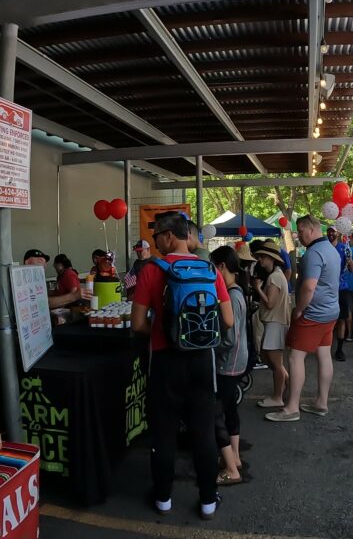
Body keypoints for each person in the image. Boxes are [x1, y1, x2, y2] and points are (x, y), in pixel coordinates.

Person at [131, 213, 233, 520]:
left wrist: (165, 331)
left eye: (157, 235)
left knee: (163, 434)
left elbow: (137, 324)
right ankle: (207, 501)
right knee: (203, 433)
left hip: (165, 362)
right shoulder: (210, 269)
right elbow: (227, 321)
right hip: (202, 362)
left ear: (170, 236)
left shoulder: (152, 270)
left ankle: (163, 498)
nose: (154, 241)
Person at [266, 215, 339, 422]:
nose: (298, 235)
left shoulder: (313, 253)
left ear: (312, 229)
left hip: (313, 313)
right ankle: (321, 402)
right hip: (330, 312)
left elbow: (309, 286)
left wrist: (299, 309)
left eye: (300, 230)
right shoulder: (331, 250)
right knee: (324, 355)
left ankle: (291, 408)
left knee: (295, 357)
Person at [208, 246, 248, 486]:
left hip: (227, 362)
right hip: (237, 360)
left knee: (217, 414)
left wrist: (210, 347)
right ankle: (235, 458)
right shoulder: (238, 291)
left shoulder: (230, 296)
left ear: (221, 267)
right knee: (230, 409)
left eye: (213, 267)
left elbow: (230, 338)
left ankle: (231, 469)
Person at [252, 240, 291, 409]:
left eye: (262, 257)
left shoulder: (275, 277)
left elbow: (270, 303)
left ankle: (277, 397)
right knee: (272, 359)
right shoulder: (276, 274)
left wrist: (258, 289)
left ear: (271, 258)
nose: (260, 260)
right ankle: (285, 385)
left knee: (275, 363)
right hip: (274, 322)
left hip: (275, 322)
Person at [327, 226, 353, 361]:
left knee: (342, 318)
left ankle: (339, 349)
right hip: (327, 288)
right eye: (329, 231)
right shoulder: (324, 247)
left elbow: (352, 269)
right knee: (329, 318)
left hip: (342, 288)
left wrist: (349, 260)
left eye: (333, 231)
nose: (330, 233)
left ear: (338, 233)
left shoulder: (344, 248)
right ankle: (326, 347)